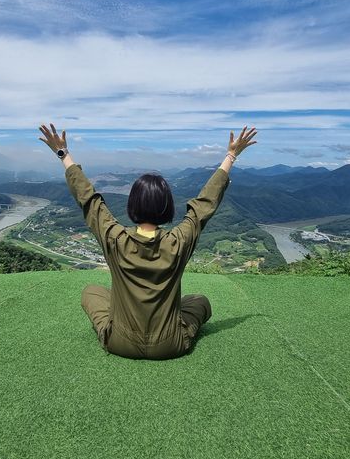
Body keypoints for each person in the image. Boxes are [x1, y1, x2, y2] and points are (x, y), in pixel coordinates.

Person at [38, 123, 258, 360]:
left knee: (92, 292)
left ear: (132, 205)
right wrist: (231, 155)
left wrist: (63, 154)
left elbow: (89, 200)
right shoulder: (179, 240)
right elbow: (204, 204)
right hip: (171, 344)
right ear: (167, 206)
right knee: (200, 301)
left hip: (119, 342)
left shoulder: (115, 238)